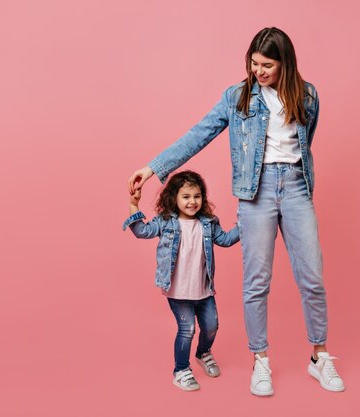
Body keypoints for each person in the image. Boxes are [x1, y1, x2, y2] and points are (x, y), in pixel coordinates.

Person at [127, 27, 345, 395]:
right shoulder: (237, 98)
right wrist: (152, 168)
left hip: (295, 188)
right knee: (256, 282)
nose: (258, 71)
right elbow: (199, 133)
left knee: (312, 278)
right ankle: (261, 361)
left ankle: (319, 357)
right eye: (254, 63)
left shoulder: (308, 96)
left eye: (267, 65)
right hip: (255, 192)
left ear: (284, 65)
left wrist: (292, 179)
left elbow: (304, 144)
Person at [122, 170, 240, 391]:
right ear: (174, 198)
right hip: (177, 291)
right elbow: (141, 231)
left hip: (204, 290)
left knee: (211, 326)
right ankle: (181, 370)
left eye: (197, 196)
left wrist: (245, 224)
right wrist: (133, 205)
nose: (192, 201)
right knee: (187, 329)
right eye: (186, 197)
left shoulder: (208, 223)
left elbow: (224, 240)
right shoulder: (165, 222)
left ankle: (203, 353)